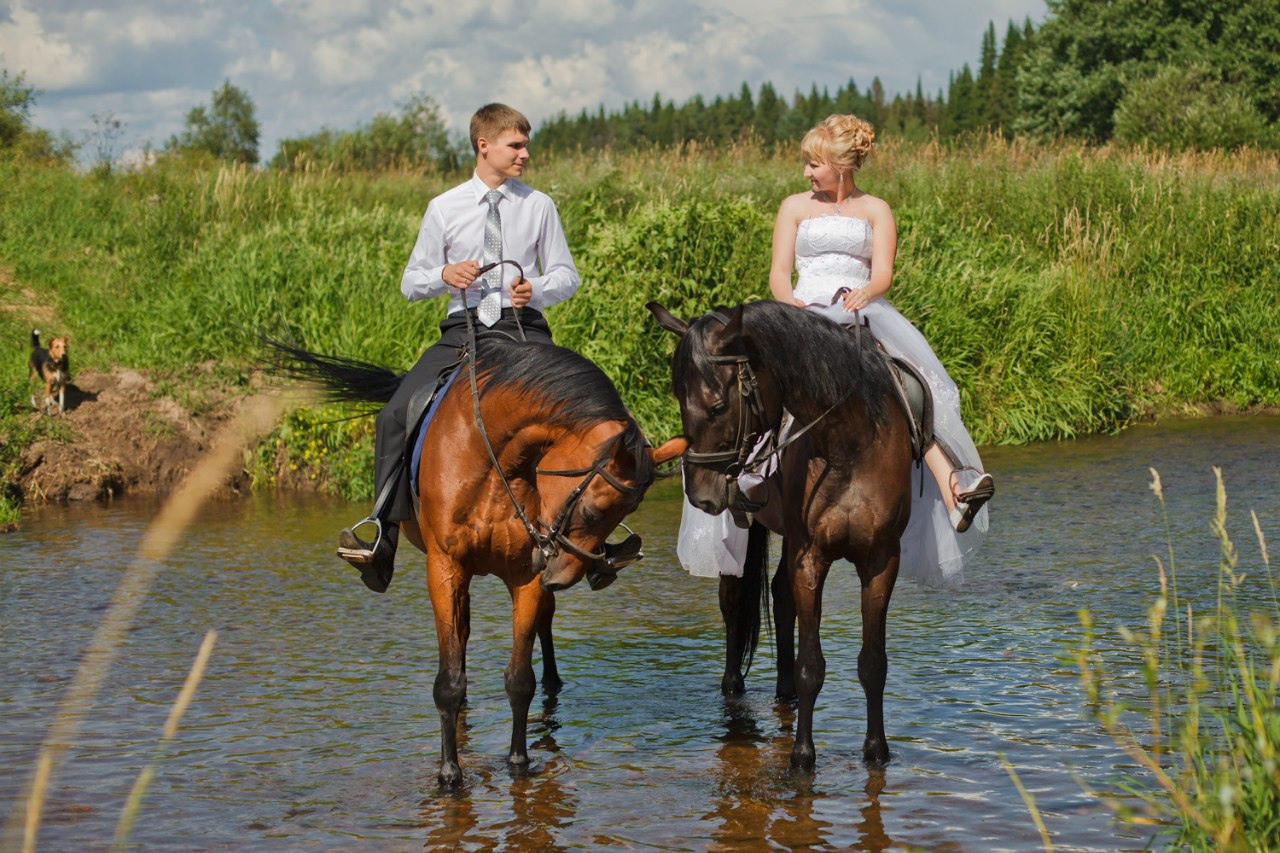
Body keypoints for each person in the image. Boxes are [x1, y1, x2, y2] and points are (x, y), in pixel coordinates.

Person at [337, 102, 580, 593]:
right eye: (516, 145)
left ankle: (594, 535)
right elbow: (410, 282)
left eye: (526, 145)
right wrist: (444, 275)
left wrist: (536, 288)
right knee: (394, 414)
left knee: (583, 409)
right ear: (483, 145)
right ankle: (382, 534)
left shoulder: (539, 205)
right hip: (463, 329)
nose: (525, 155)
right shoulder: (443, 207)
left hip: (523, 327)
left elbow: (567, 276)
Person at [768, 113, 993, 584]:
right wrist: (791, 310)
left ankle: (954, 488)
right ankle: (749, 484)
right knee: (758, 389)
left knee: (907, 384)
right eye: (807, 164)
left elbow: (883, 272)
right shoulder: (793, 207)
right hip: (804, 316)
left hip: (857, 314)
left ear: (841, 165)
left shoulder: (877, 210)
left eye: (814, 164)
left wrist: (866, 295)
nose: (807, 173)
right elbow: (778, 273)